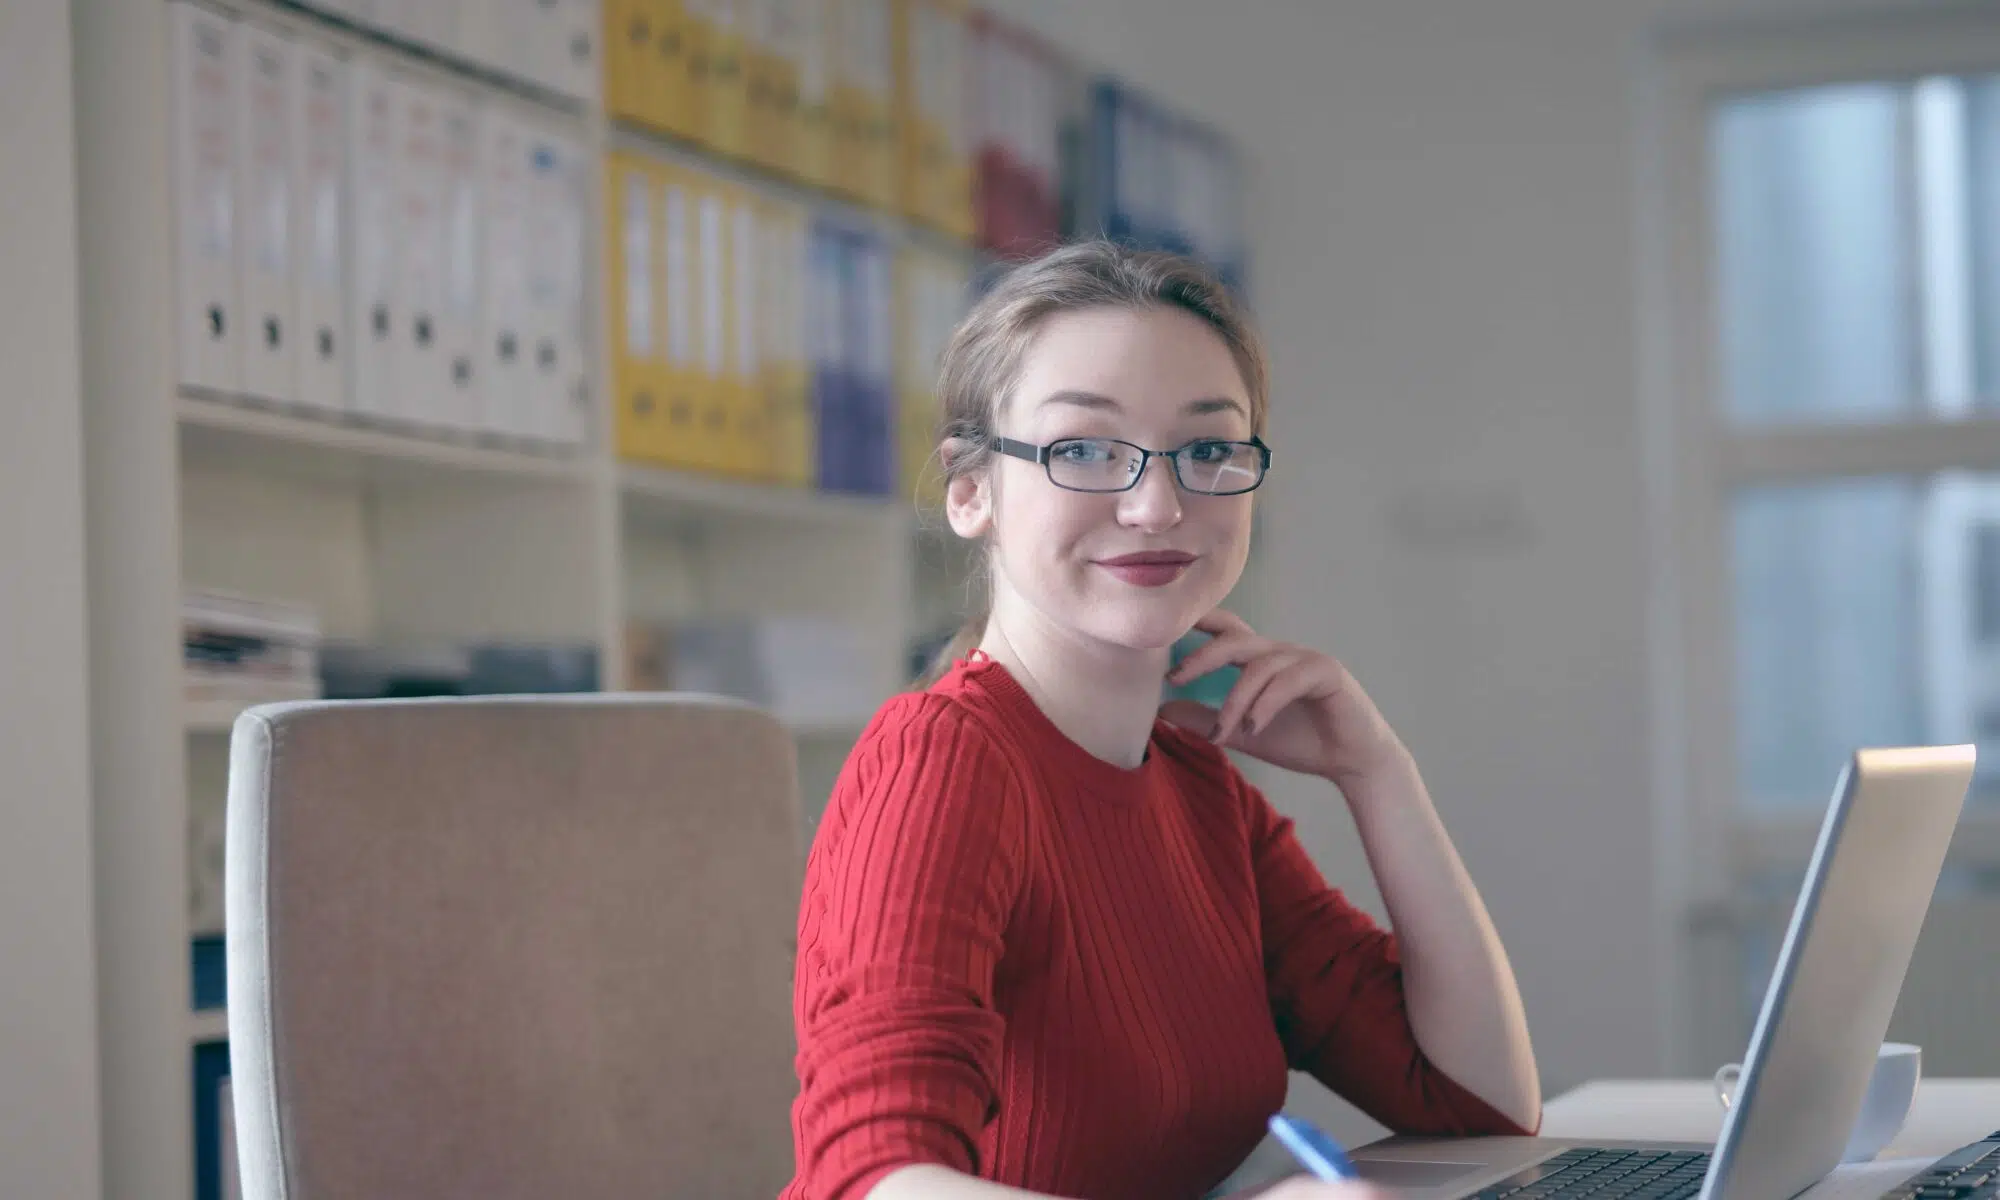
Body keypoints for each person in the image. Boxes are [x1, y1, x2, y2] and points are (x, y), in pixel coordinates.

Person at [780, 241, 1541, 1200]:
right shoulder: (944, 759)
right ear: (973, 492)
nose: (1156, 503)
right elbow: (872, 1184)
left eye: (1209, 449)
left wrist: (1377, 772)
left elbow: (1478, 1103)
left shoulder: (1196, 790)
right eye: (1085, 450)